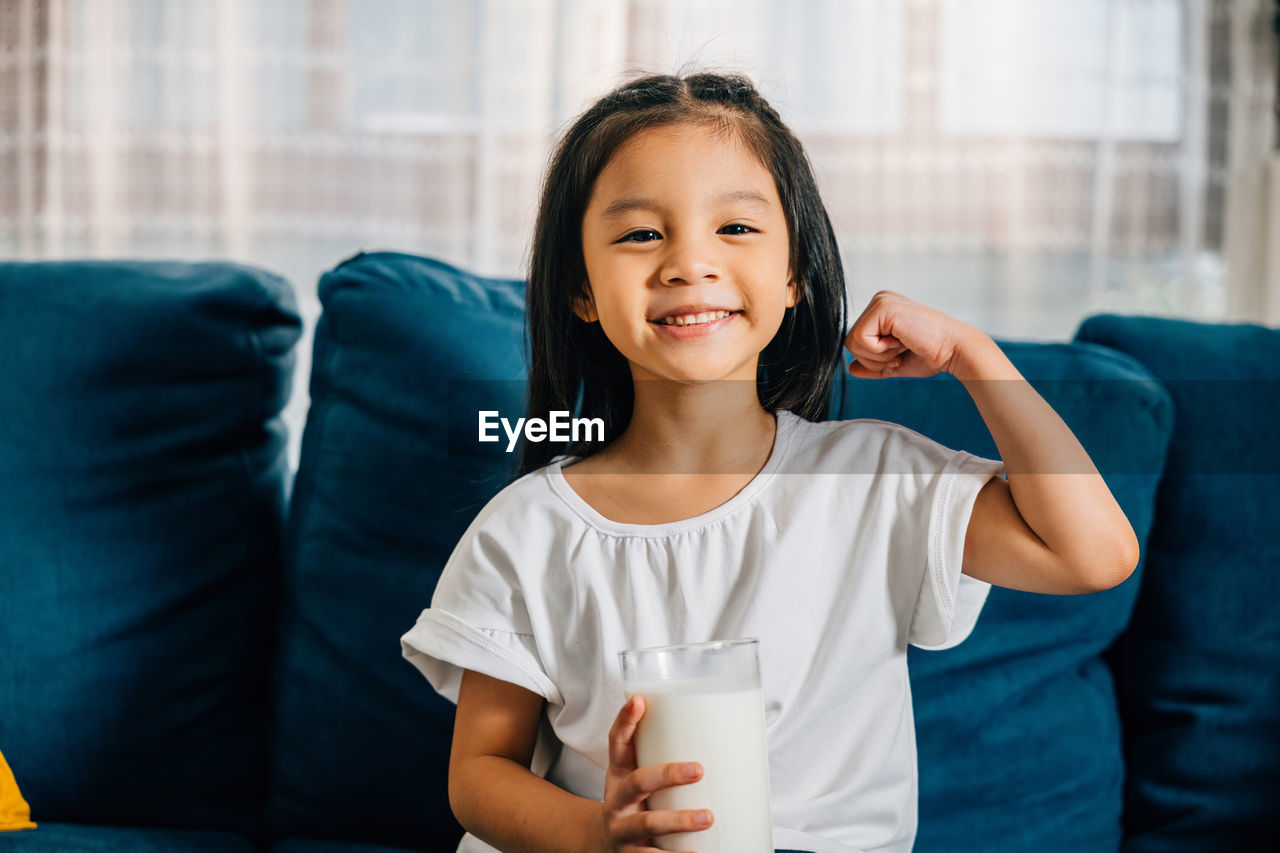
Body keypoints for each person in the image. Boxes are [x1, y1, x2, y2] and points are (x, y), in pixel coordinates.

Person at [399, 71, 1138, 853]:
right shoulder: (529, 528)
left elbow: (1093, 555)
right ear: (581, 288)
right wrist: (598, 831)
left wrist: (974, 356)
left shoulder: (873, 482)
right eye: (642, 233)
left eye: (737, 229)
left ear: (795, 277)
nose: (690, 262)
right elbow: (479, 772)